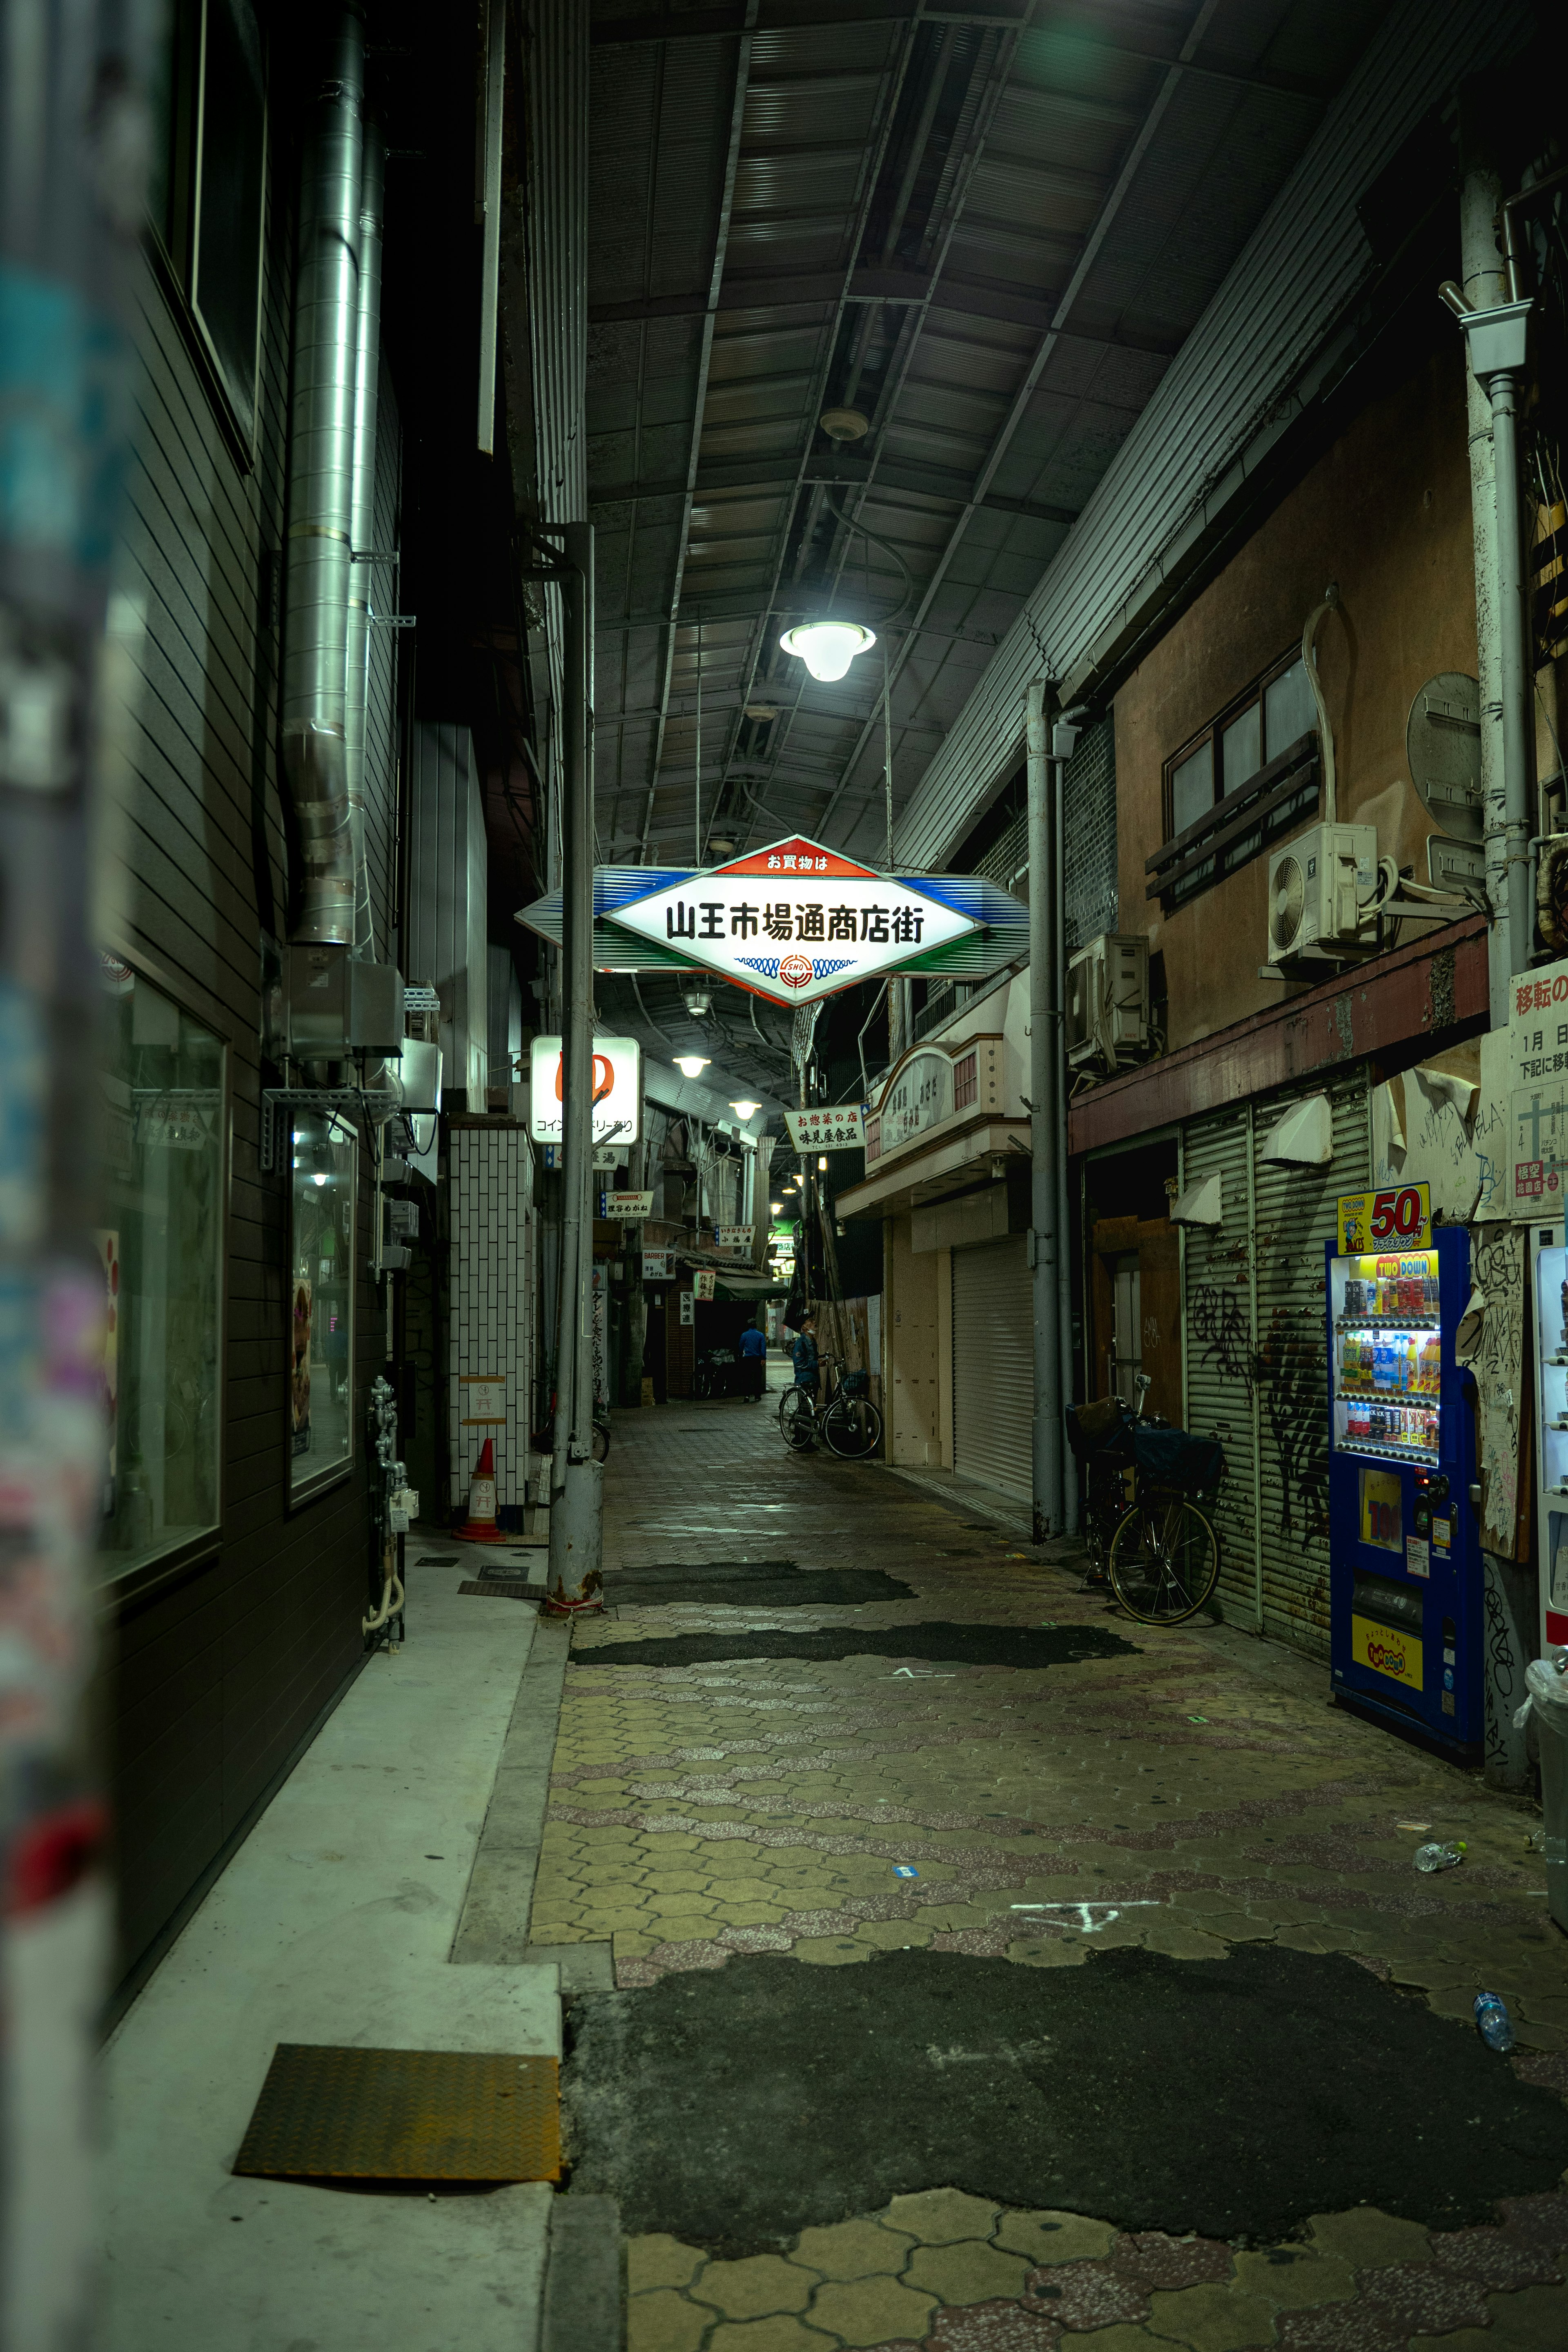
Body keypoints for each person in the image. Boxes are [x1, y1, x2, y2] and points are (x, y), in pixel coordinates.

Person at [738, 1317, 767, 1401]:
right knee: (757, 1378)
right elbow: (763, 1348)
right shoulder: (761, 1335)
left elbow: (741, 1347)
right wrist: (763, 1358)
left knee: (747, 1378)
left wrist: (740, 1357)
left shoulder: (744, 1335)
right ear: (756, 1326)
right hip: (757, 1359)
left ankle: (747, 1396)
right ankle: (757, 1396)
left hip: (747, 1359)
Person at [791, 1313, 819, 1399]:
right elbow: (799, 1363)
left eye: (814, 1320)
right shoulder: (801, 1343)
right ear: (804, 1328)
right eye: (810, 1321)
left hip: (813, 1378)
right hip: (805, 1379)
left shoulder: (812, 1341)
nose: (814, 1322)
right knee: (806, 1409)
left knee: (813, 1408)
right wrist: (816, 1364)